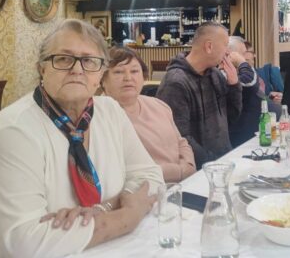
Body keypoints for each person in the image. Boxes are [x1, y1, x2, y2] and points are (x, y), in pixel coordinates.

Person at [0, 19, 163, 257]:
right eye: (64, 59)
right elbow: (26, 242)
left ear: (100, 73)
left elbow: (151, 177)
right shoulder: (13, 131)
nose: (77, 69)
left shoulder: (110, 111)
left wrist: (102, 209)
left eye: (89, 60)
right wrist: (127, 216)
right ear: (42, 69)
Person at [101, 46, 196, 183]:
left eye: (134, 71)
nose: (128, 78)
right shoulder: (99, 117)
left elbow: (181, 142)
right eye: (118, 72)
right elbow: (122, 170)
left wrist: (188, 165)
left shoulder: (159, 105)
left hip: (183, 184)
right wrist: (179, 171)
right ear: (102, 79)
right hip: (144, 190)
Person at [156, 22, 242, 169]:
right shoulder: (175, 83)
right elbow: (180, 137)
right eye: (225, 45)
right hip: (201, 169)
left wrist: (234, 85)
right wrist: (212, 164)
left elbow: (232, 117)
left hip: (223, 162)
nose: (228, 52)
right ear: (209, 46)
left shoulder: (215, 74)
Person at [227, 36, 264, 147]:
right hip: (240, 133)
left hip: (252, 129)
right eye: (243, 53)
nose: (245, 56)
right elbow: (250, 83)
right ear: (231, 54)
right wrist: (242, 62)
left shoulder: (240, 71)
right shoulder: (225, 73)